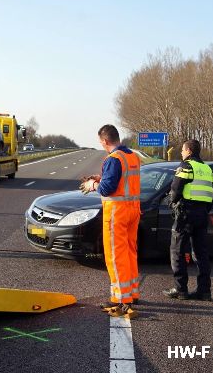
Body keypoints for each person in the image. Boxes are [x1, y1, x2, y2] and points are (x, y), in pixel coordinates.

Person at [81, 124, 141, 319]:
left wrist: (92, 185)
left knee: (115, 256)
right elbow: (122, 181)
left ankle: (121, 299)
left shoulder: (113, 159)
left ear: (105, 141)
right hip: (133, 211)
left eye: (101, 142)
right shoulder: (132, 156)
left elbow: (106, 189)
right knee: (130, 251)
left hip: (117, 213)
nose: (102, 145)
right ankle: (132, 292)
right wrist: (102, 177)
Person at [164, 139, 213, 301]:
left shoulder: (186, 167)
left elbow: (175, 189)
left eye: (182, 150)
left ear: (189, 151)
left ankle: (181, 290)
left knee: (178, 251)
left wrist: (172, 203)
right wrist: (203, 209)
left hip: (186, 214)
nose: (181, 153)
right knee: (201, 253)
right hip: (202, 214)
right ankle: (204, 291)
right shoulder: (208, 169)